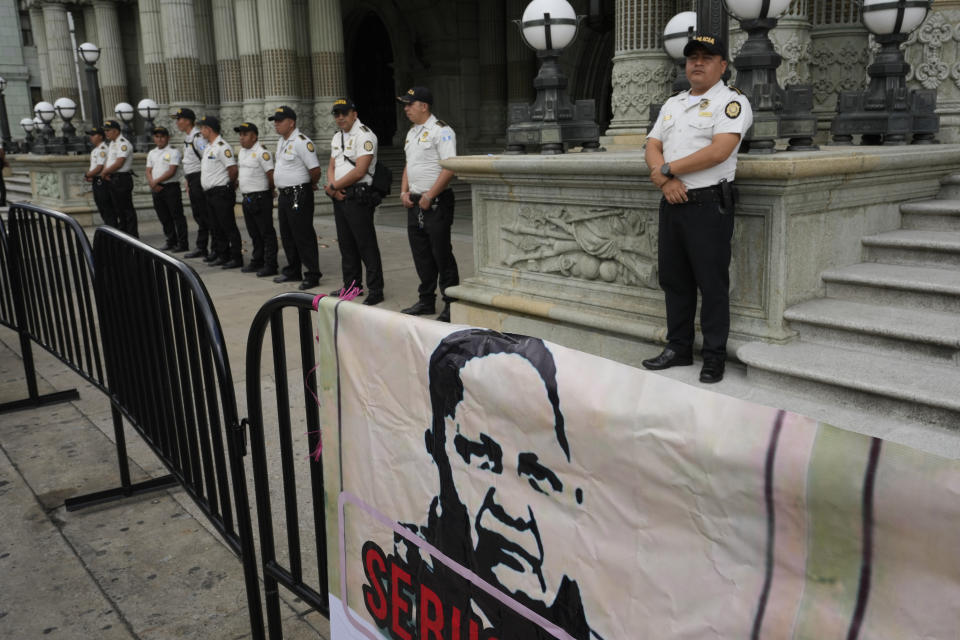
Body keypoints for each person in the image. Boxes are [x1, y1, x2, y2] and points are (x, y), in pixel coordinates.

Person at [390, 329, 597, 640]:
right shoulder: (403, 569)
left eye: (537, 473)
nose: (511, 510)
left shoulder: (583, 618)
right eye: (480, 454)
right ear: (435, 448)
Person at [641, 34, 753, 384]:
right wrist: (665, 181)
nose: (698, 63)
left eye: (707, 57)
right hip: (672, 201)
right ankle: (678, 348)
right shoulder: (673, 104)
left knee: (712, 282)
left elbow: (720, 151)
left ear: (723, 65)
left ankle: (714, 356)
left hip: (708, 204)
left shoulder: (732, 102)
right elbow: (652, 145)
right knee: (674, 280)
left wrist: (670, 170)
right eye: (692, 57)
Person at [397, 86, 459, 322]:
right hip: (415, 203)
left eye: (409, 104)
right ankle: (426, 300)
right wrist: (404, 191)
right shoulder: (412, 133)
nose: (406, 108)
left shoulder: (441, 131)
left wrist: (430, 195)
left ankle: (451, 303)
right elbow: (409, 164)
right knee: (421, 254)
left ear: (424, 106)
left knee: (441, 253)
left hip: (436, 203)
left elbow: (450, 166)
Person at [324, 98, 385, 305]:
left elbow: (360, 170)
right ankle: (352, 287)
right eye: (336, 114)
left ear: (354, 114)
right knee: (346, 244)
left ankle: (376, 289)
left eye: (344, 113)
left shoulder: (365, 135)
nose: (340, 117)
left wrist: (334, 186)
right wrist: (333, 188)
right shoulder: (337, 137)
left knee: (365, 244)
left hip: (358, 196)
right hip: (340, 196)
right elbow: (331, 165)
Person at [269, 105, 323, 290]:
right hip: (285, 194)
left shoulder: (301, 141)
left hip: (298, 193)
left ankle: (312, 274)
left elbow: (315, 170)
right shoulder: (282, 141)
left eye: (279, 121)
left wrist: (310, 184)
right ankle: (293, 269)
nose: (276, 124)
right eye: (274, 121)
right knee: (287, 234)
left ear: (291, 123)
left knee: (303, 234)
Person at [234, 121, 278, 277]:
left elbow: (270, 175)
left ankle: (270, 264)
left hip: (260, 197)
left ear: (254, 136)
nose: (241, 138)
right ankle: (257, 260)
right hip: (247, 198)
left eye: (245, 134)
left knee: (266, 232)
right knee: (254, 233)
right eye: (240, 135)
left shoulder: (261, 152)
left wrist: (271, 190)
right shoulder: (242, 152)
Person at [198, 115, 242, 269]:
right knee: (216, 227)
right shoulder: (209, 146)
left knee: (228, 226)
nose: (201, 131)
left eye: (202, 128)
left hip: (221, 192)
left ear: (208, 129)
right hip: (210, 193)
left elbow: (232, 169)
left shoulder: (222, 146)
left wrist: (229, 186)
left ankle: (236, 257)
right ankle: (223, 255)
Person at [172, 107, 215, 260]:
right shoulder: (189, 138)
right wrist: (187, 181)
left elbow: (206, 159)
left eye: (179, 119)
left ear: (188, 121)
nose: (177, 123)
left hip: (199, 178)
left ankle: (213, 247)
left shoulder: (197, 138)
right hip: (192, 179)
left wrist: (201, 181)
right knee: (199, 215)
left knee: (205, 215)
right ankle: (202, 246)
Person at [145, 126, 188, 251]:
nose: (160, 139)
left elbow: (172, 171)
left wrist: (155, 182)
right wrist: (153, 183)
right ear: (154, 138)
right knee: (164, 216)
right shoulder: (152, 153)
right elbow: (148, 170)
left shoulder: (173, 152)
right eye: (157, 137)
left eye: (162, 136)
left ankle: (182, 243)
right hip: (156, 188)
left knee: (177, 216)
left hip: (170, 187)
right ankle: (171, 241)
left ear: (168, 138)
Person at [99, 119, 138, 237]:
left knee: (126, 209)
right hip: (113, 178)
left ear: (116, 131)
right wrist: (105, 172)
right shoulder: (112, 143)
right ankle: (124, 234)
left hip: (122, 178)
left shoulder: (123, 143)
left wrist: (104, 172)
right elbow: (109, 160)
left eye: (108, 130)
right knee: (118, 208)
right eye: (105, 130)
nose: (106, 133)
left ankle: (132, 235)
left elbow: (119, 163)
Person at [83, 126, 112, 222]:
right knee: (101, 207)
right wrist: (91, 175)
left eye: (93, 135)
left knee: (106, 208)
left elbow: (100, 167)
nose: (91, 137)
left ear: (100, 136)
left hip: (102, 181)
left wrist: (88, 175)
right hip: (97, 180)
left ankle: (112, 230)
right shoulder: (96, 150)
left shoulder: (102, 149)